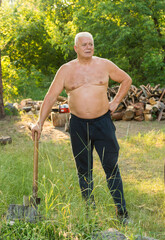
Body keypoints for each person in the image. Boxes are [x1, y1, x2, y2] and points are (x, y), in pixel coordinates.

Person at [31, 32, 132, 223]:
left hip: (103, 123)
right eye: (84, 44)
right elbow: (51, 96)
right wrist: (39, 123)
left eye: (91, 44)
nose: (88, 47)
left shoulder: (104, 64)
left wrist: (116, 102)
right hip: (78, 125)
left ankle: (122, 211)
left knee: (111, 167)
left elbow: (126, 79)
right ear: (76, 48)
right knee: (84, 170)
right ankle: (89, 210)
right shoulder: (66, 70)